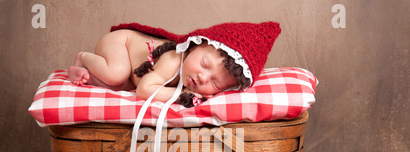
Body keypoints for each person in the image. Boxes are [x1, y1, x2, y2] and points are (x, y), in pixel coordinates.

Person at [68, 22, 281, 108]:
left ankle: (87, 74)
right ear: (196, 45)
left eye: (215, 83)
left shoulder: (195, 72)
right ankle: (83, 58)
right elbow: (143, 91)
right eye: (204, 64)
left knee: (120, 86)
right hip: (120, 43)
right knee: (117, 74)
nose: (203, 78)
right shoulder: (173, 60)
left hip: (135, 68)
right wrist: (184, 96)